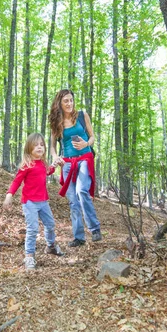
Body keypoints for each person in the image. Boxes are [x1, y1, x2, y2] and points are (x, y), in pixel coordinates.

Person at [3, 133, 65, 270]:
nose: (39, 147)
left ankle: (51, 246)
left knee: (50, 224)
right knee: (33, 229)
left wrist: (55, 165)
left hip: (43, 201)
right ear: (29, 147)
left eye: (42, 145)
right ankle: (29, 256)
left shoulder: (42, 163)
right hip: (30, 202)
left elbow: (47, 172)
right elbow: (17, 181)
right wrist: (9, 195)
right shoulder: (27, 165)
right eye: (36, 145)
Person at [49, 89, 101, 247]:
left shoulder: (82, 115)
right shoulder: (56, 122)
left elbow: (92, 137)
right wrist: (55, 157)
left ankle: (95, 229)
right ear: (60, 103)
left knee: (81, 190)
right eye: (66, 101)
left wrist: (86, 143)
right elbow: (52, 146)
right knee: (73, 201)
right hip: (67, 163)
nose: (69, 103)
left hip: (85, 159)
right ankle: (79, 237)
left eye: (71, 100)